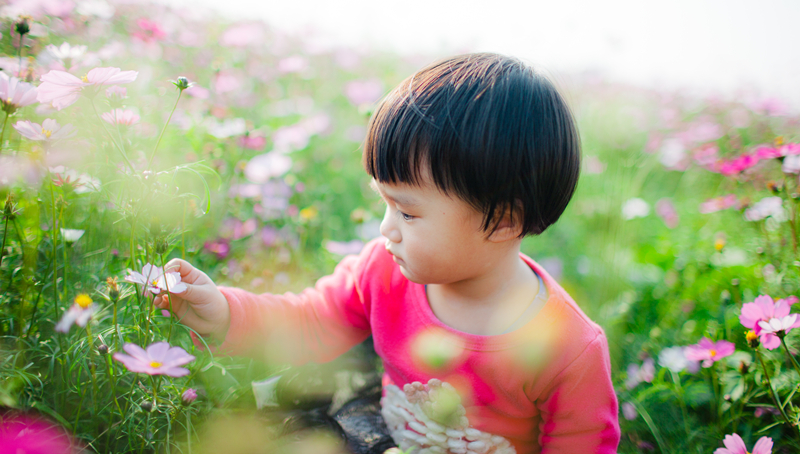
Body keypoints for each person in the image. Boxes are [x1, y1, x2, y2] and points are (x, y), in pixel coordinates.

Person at [155, 53, 620, 453]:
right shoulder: (381, 269)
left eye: (408, 213)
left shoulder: (570, 350)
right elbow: (310, 322)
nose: (385, 229)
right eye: (385, 203)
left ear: (503, 220)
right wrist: (223, 313)